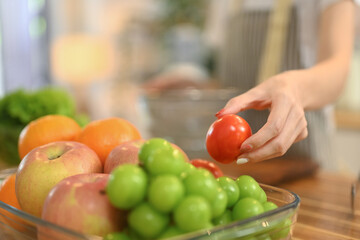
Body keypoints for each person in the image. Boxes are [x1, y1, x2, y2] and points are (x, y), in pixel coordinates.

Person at [205, 0, 357, 169]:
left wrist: (293, 88)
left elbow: (338, 72)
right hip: (239, 167)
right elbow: (225, 78)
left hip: (307, 167)